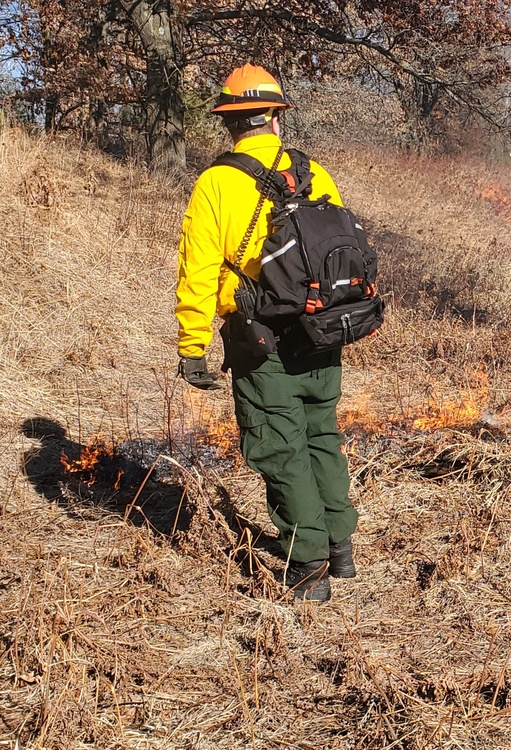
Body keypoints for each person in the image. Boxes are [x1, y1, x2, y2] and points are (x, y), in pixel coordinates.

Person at [175, 64, 357, 602]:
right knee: (321, 433)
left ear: (229, 123)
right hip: (322, 328)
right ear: (276, 117)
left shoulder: (216, 183)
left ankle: (306, 567)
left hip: (260, 339)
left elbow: (198, 270)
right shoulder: (314, 173)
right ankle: (340, 547)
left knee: (279, 446)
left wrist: (192, 346)